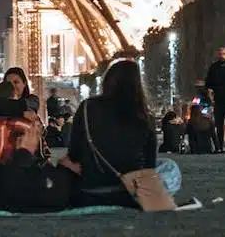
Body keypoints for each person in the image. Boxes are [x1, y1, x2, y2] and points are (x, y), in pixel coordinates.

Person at [64, 59, 163, 208]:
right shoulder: (143, 115)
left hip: (91, 191)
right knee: (169, 167)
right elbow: (150, 165)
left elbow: (74, 154)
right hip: (131, 194)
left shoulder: (87, 107)